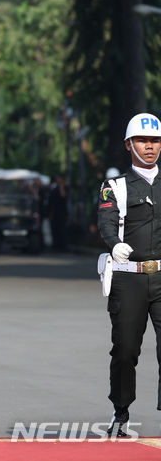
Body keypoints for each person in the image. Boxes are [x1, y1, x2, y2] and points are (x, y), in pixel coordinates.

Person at [97, 112, 161, 437]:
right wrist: (114, 244)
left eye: (155, 141)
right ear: (128, 144)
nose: (149, 147)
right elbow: (106, 223)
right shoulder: (115, 187)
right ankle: (120, 411)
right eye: (142, 141)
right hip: (129, 277)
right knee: (125, 351)